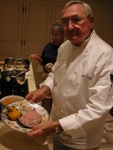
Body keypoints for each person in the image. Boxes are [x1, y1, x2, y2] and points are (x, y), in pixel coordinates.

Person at [25, 1, 113, 150]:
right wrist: (45, 89)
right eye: (65, 22)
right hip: (57, 129)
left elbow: (99, 108)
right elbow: (55, 74)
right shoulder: (65, 47)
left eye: (76, 19)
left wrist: (56, 126)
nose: (70, 26)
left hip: (83, 139)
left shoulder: (105, 55)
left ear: (91, 21)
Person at [29, 22, 64, 114]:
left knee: (57, 104)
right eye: (52, 34)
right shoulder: (48, 46)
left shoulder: (65, 48)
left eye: (57, 35)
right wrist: (38, 59)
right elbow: (43, 62)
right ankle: (45, 118)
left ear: (63, 35)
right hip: (46, 77)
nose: (54, 37)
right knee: (46, 101)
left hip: (59, 81)